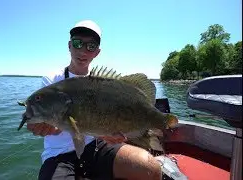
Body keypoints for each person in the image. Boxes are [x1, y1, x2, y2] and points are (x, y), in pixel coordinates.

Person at [27, 20, 162, 180]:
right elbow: (41, 120)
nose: (83, 51)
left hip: (96, 146)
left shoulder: (103, 84)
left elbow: (100, 121)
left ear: (97, 52)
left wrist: (107, 133)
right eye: (78, 43)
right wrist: (39, 125)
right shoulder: (52, 81)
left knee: (150, 168)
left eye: (90, 46)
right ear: (69, 45)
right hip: (59, 155)